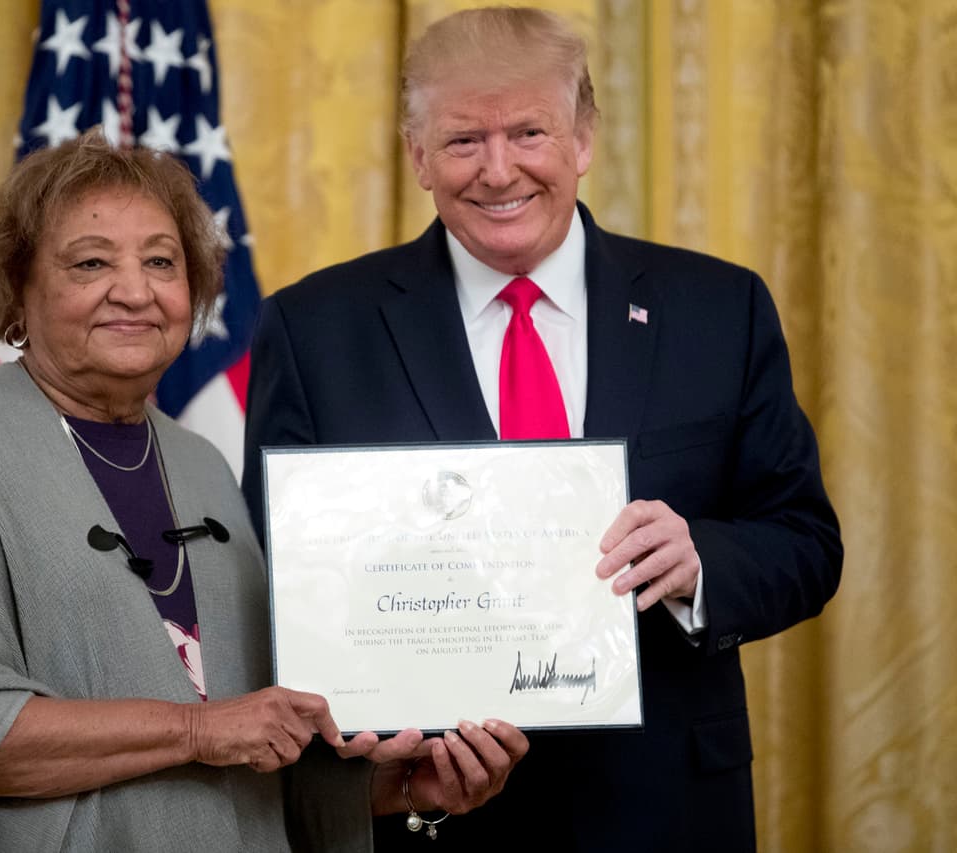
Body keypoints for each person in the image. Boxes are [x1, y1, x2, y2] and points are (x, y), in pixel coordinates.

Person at [0, 132, 527, 852]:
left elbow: (253, 750)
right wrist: (196, 731)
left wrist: (402, 788)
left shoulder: (203, 463)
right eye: (91, 262)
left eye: (161, 261)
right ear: (19, 286)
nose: (135, 290)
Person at [243, 8, 842, 852]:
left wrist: (700, 562)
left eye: (529, 132)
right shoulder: (315, 330)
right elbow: (276, 584)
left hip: (665, 808)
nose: (499, 171)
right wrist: (380, 757)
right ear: (417, 155)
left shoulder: (718, 309)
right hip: (432, 816)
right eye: (463, 140)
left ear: (584, 138)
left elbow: (806, 541)